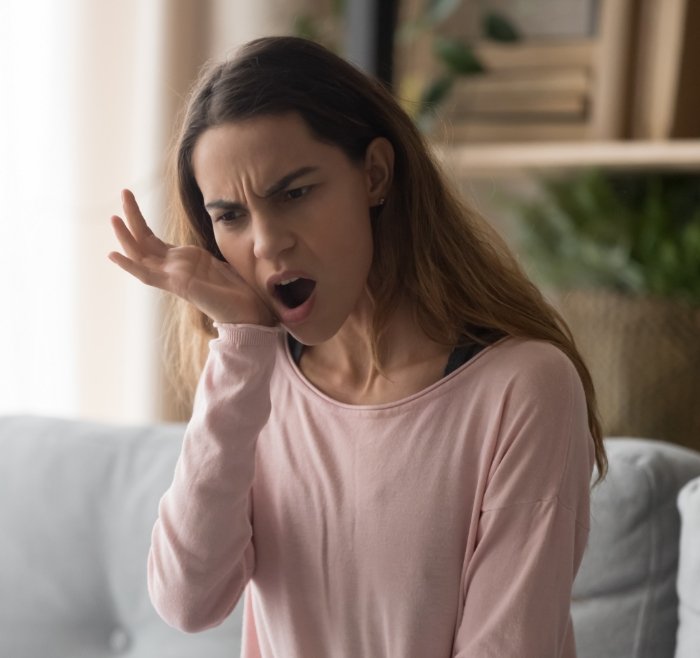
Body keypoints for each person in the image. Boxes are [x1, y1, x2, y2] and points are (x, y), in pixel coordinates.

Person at [109, 36, 606, 658]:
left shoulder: (523, 387)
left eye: (294, 193)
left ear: (374, 174)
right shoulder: (255, 382)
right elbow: (188, 601)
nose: (267, 244)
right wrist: (240, 349)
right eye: (231, 216)